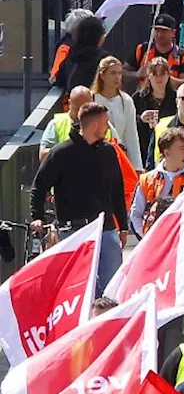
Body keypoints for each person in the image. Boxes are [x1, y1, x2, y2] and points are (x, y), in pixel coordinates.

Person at [29, 101, 127, 291]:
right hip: (73, 231)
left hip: (106, 230)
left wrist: (122, 226)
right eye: (106, 122)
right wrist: (37, 217)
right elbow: (39, 187)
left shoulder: (108, 152)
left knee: (111, 290)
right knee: (76, 289)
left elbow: (117, 190)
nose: (108, 127)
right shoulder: (60, 153)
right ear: (94, 125)